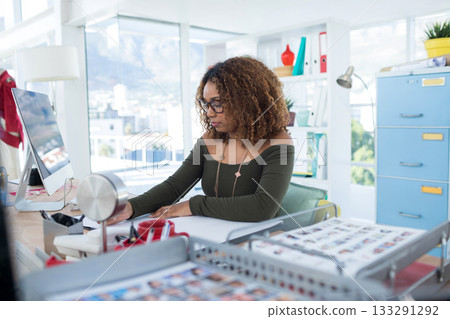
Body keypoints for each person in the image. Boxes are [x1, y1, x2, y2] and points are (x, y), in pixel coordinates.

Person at [108, 56, 294, 225]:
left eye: (218, 103)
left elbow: (263, 207)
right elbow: (175, 186)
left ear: (245, 102)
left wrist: (193, 205)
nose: (209, 112)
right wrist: (132, 207)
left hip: (258, 239)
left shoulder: (279, 143)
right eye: (206, 104)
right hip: (211, 233)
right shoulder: (210, 139)